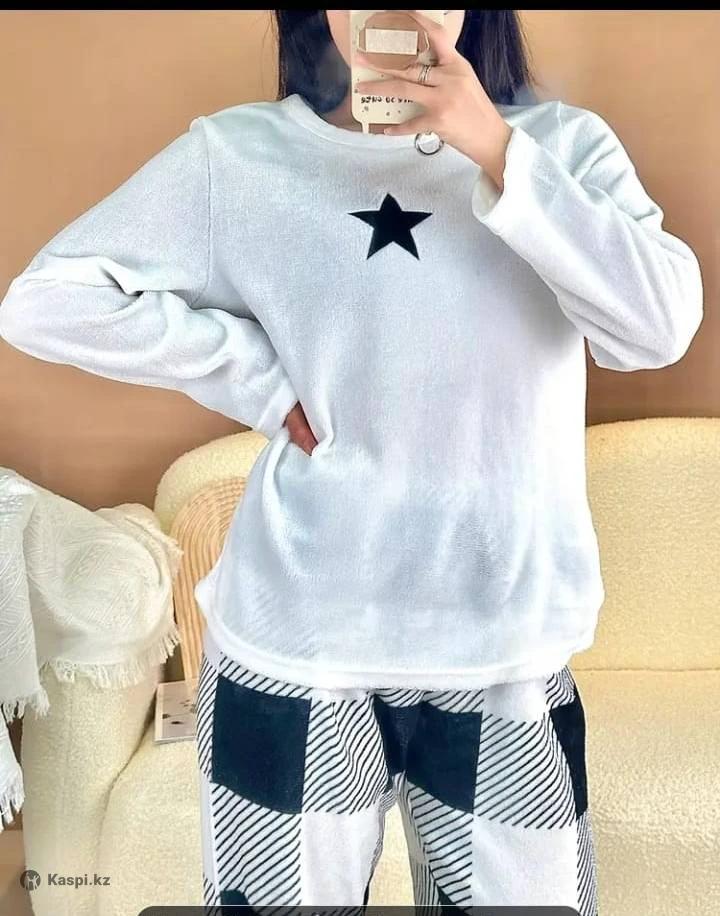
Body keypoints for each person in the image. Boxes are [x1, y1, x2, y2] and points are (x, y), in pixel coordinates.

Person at [0, 9, 704, 913]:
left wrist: (494, 147)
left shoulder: (563, 148)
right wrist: (257, 375)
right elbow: (45, 300)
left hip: (505, 650)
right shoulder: (239, 159)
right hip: (297, 642)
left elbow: (656, 328)